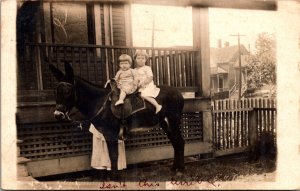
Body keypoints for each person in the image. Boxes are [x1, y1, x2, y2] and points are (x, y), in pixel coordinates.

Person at [134, 50, 162, 114]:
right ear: (135, 59)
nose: (140, 60)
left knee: (144, 95)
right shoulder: (134, 70)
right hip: (138, 86)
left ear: (145, 60)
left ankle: (157, 105)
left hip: (147, 85)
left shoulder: (147, 68)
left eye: (142, 58)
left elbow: (150, 77)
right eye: (138, 58)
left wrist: (144, 83)